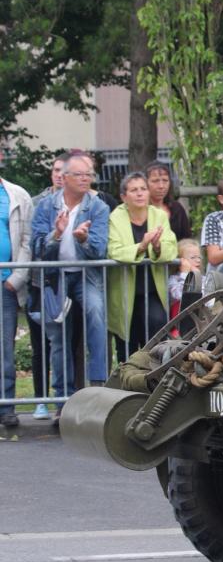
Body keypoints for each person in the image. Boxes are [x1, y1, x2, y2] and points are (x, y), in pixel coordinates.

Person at [30, 151, 111, 423]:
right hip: (55, 277)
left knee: (97, 315)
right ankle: (63, 400)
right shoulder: (45, 206)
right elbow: (37, 249)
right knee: (58, 337)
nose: (86, 179)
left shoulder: (97, 206)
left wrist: (84, 239)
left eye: (89, 174)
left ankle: (98, 388)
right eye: (80, 174)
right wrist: (56, 234)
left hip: (86, 275)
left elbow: (100, 250)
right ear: (64, 178)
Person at [106, 172, 178, 361]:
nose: (139, 194)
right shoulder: (115, 217)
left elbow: (171, 248)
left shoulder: (159, 215)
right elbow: (114, 251)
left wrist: (156, 246)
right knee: (127, 344)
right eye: (134, 190)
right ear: (124, 196)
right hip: (124, 291)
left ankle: (156, 378)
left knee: (156, 329)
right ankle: (127, 384)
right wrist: (142, 246)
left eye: (143, 189)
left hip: (152, 291)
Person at [26, 152, 69, 420]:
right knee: (40, 344)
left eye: (63, 171)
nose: (58, 175)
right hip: (39, 283)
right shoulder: (38, 203)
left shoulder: (88, 203)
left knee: (63, 344)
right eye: (55, 170)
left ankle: (63, 401)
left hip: (67, 283)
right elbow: (33, 243)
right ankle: (41, 398)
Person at [0, 152, 32, 430]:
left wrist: (17, 277)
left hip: (5, 285)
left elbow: (27, 239)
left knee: (4, 349)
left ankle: (6, 407)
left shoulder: (17, 195)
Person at [144, 161, 192, 241]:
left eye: (165, 180)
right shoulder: (140, 209)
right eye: (155, 181)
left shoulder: (177, 208)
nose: (161, 186)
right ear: (145, 183)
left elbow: (186, 239)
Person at [167, 238, 203, 323]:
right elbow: (180, 296)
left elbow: (209, 301)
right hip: (180, 325)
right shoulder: (173, 280)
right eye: (193, 257)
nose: (198, 260)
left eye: (199, 257)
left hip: (202, 322)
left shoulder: (204, 278)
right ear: (180, 261)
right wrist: (185, 275)